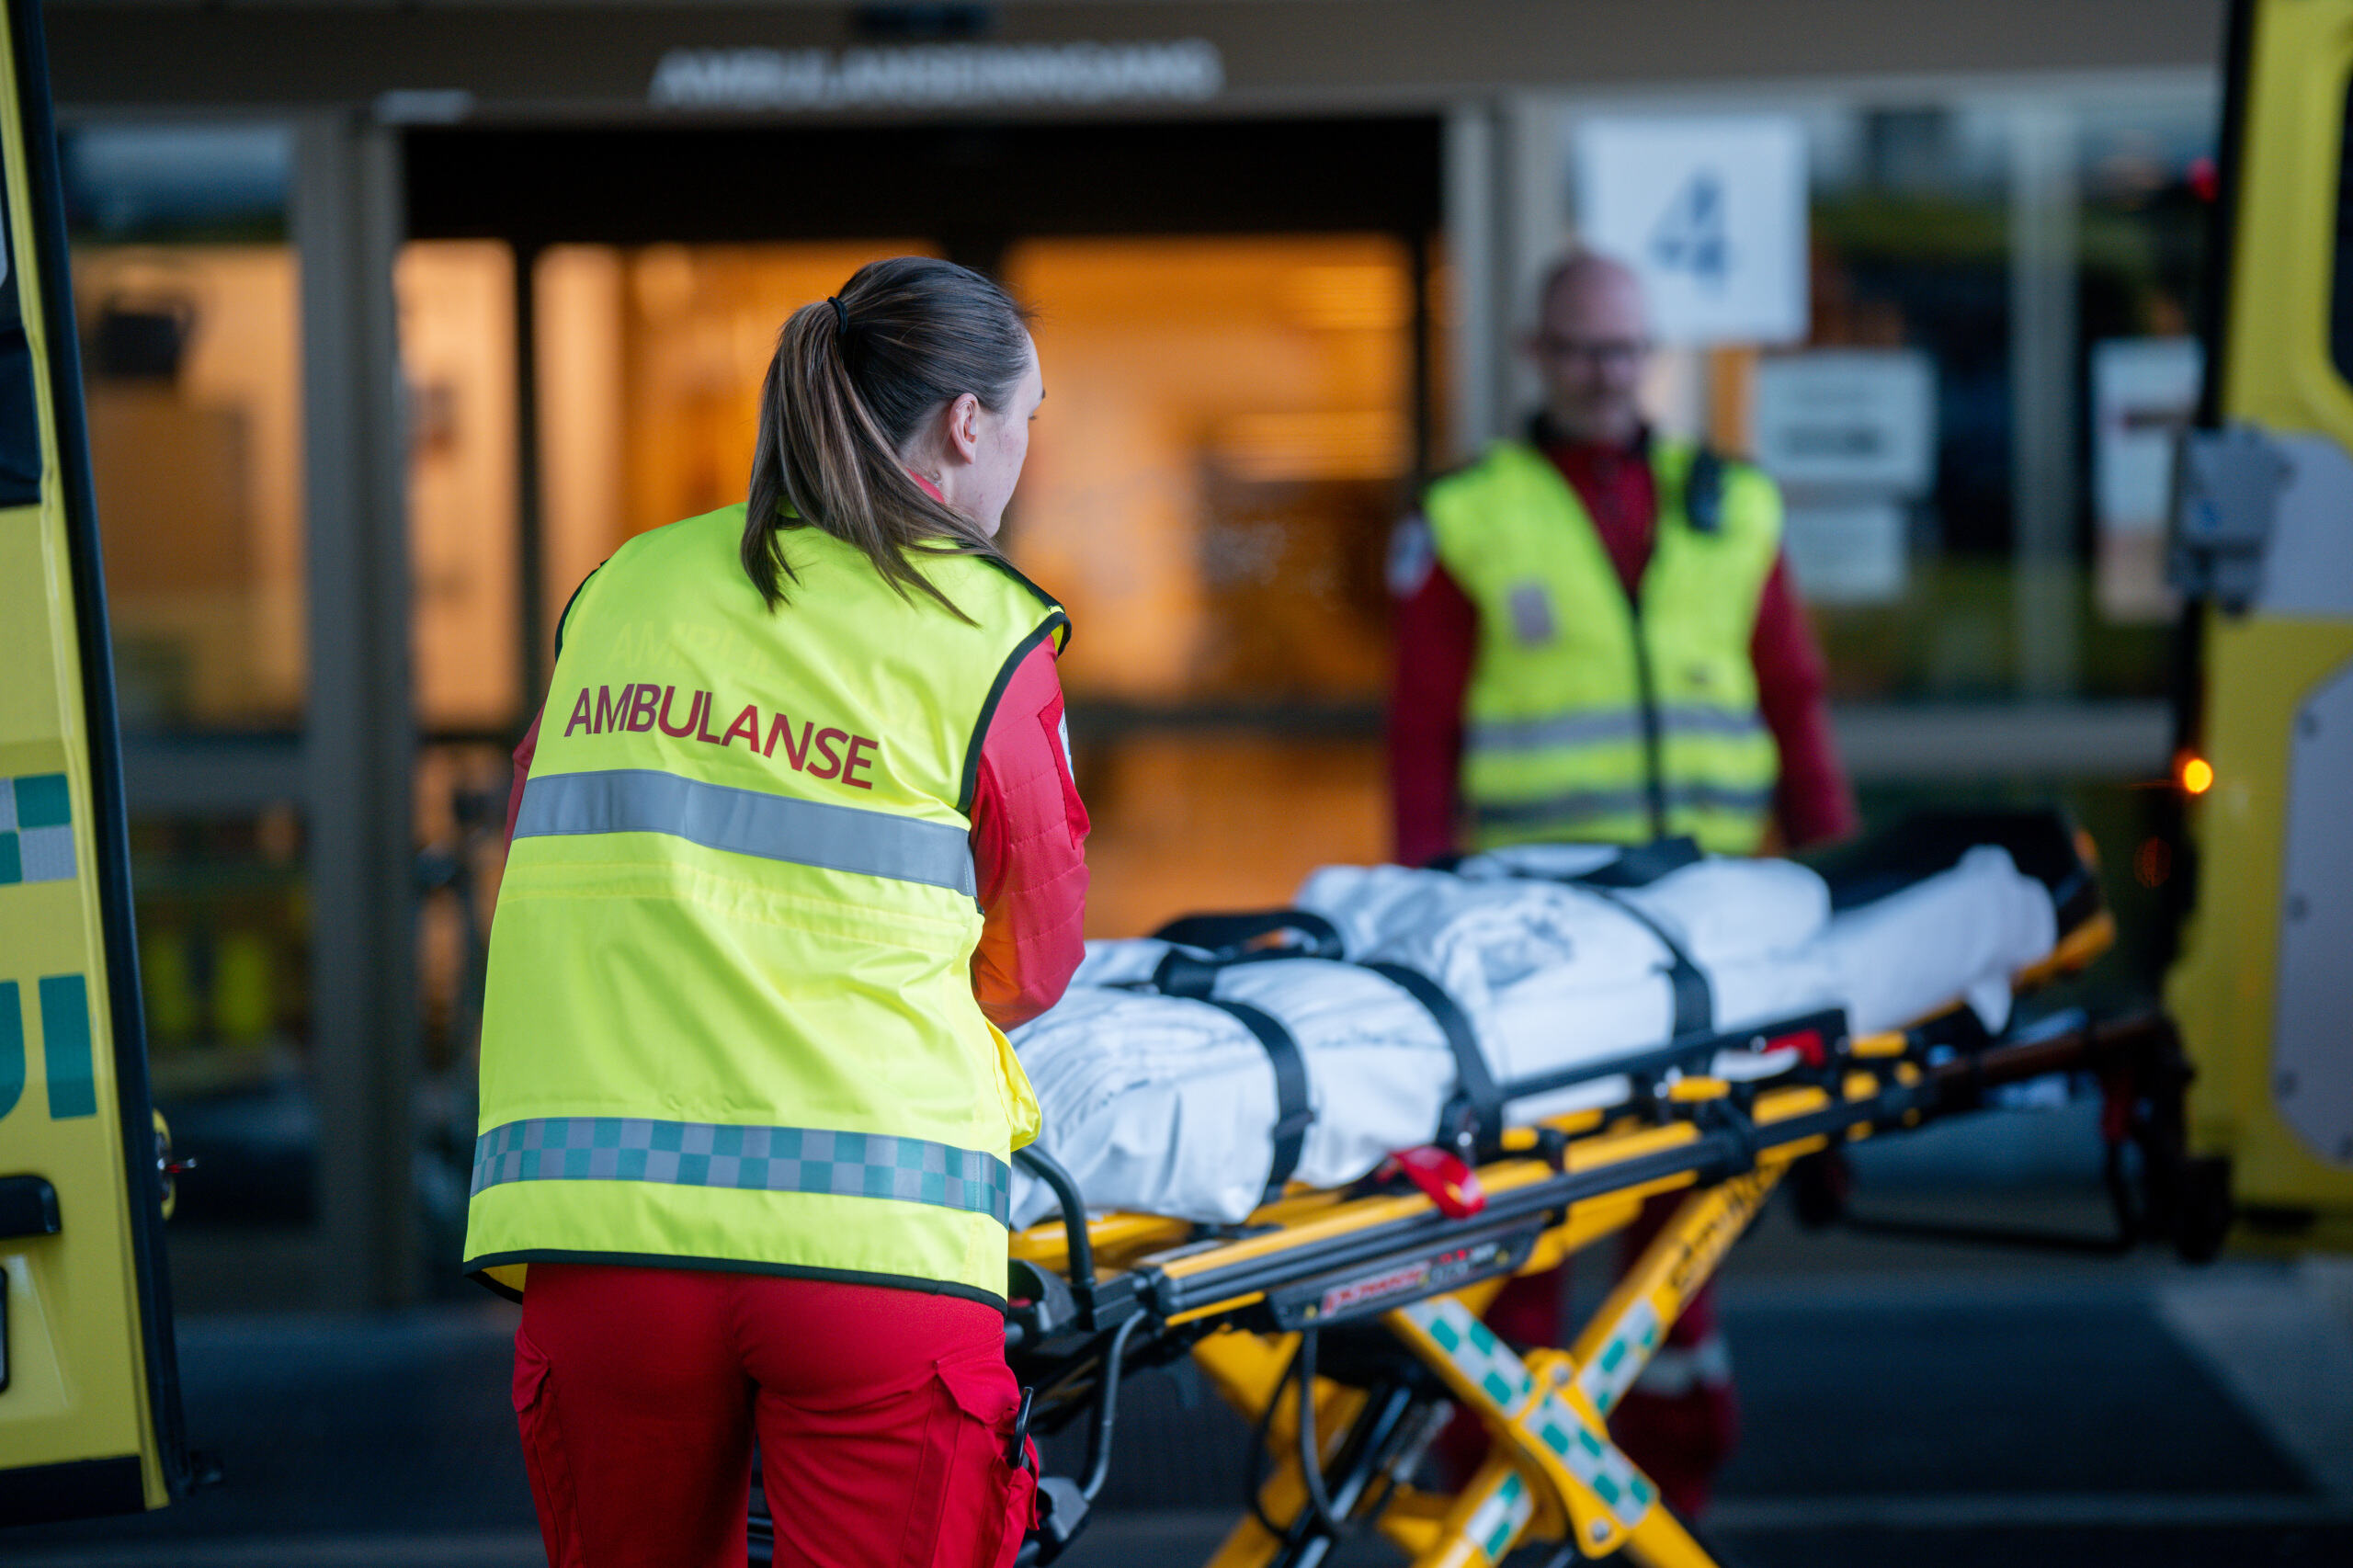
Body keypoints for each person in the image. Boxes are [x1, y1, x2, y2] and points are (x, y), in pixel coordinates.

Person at [463, 256, 1088, 1568]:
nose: (1023, 452)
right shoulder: (979, 628)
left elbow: (536, 856)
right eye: (1029, 418)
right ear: (970, 425)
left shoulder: (624, 590)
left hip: (605, 1239)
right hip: (872, 1243)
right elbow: (1036, 954)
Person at [1389, 249, 1857, 1517]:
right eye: (1582, 350)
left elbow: (1794, 702)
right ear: (1538, 354)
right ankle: (1503, 1478)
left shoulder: (1730, 506)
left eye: (1625, 350)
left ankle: (1663, 1476)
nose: (1606, 376)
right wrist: (1425, 912)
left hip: (1703, 926)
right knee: (1532, 1202)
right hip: (1535, 926)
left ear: (1652, 356)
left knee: (1681, 1211)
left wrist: (1840, 884)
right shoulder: (1475, 514)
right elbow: (1420, 734)